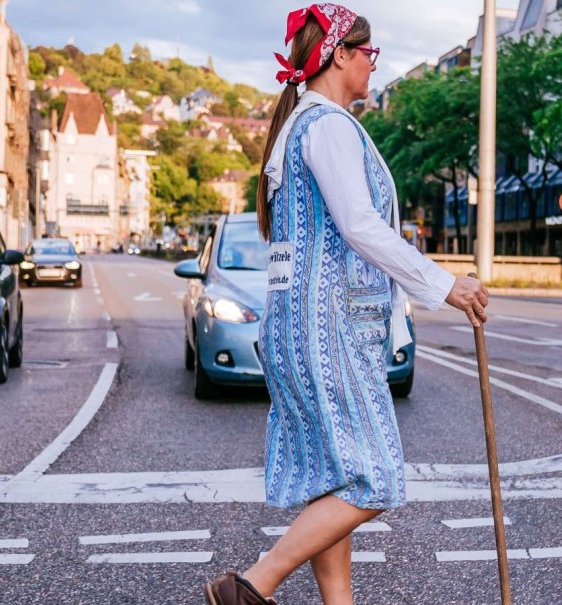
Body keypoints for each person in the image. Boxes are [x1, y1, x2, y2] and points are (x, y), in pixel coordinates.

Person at [203, 5, 488, 605]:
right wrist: (444, 284)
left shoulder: (298, 127)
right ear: (340, 55)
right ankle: (253, 584)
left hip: (299, 327)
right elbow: (360, 225)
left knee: (330, 478)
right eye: (368, 53)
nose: (372, 65)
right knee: (374, 478)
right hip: (328, 328)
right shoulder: (328, 126)